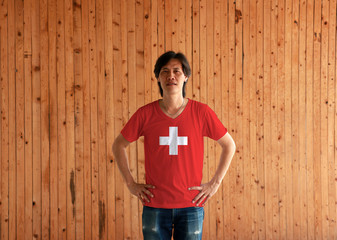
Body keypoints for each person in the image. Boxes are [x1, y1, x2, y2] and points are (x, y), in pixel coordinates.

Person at [112, 51, 236, 240]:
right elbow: (118, 145)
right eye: (165, 71)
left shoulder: (201, 112)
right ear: (158, 78)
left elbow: (229, 145)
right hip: (155, 206)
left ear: (186, 76)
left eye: (177, 71)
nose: (171, 76)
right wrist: (130, 183)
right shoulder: (145, 114)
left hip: (191, 206)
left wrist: (215, 183)